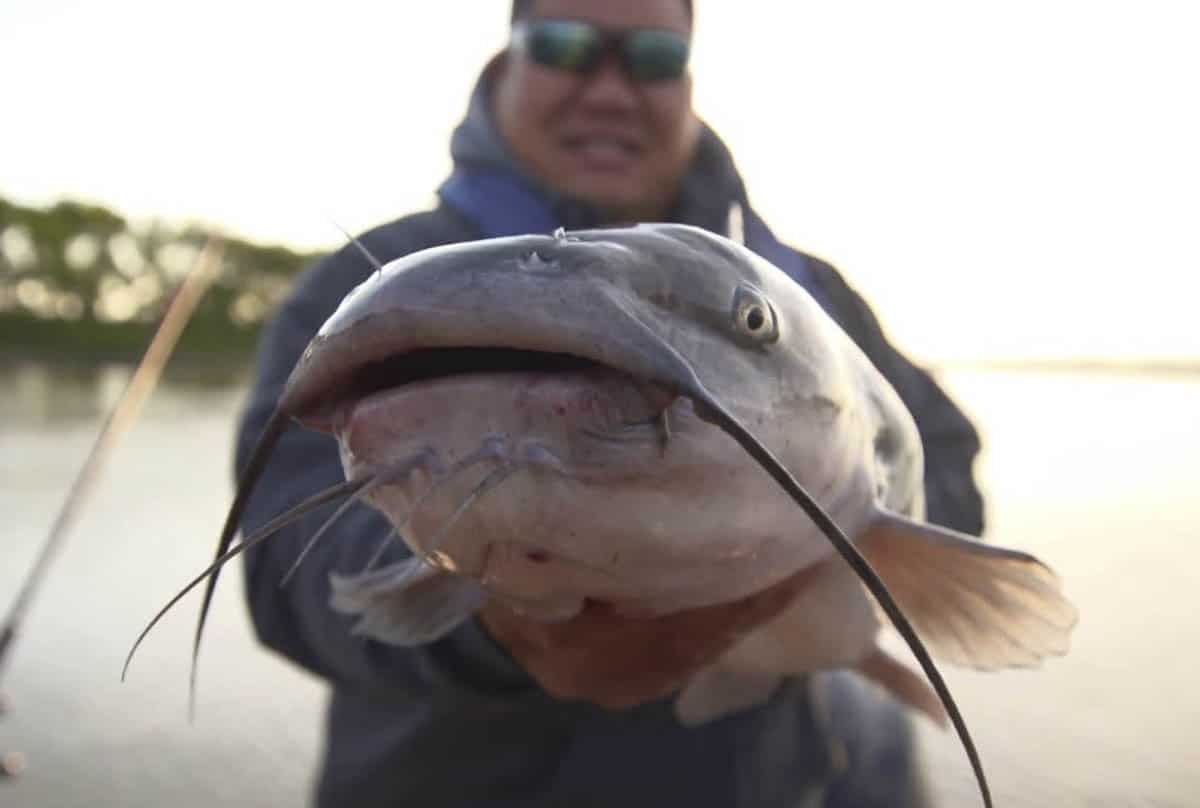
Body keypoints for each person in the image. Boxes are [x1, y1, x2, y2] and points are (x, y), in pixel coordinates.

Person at [234, 1, 985, 806]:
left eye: (655, 58)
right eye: (563, 46)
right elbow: (287, 558)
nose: (610, 89)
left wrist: (848, 546)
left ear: (690, 81)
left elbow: (943, 459)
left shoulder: (814, 293)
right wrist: (492, 633)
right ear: (504, 65)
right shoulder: (367, 279)